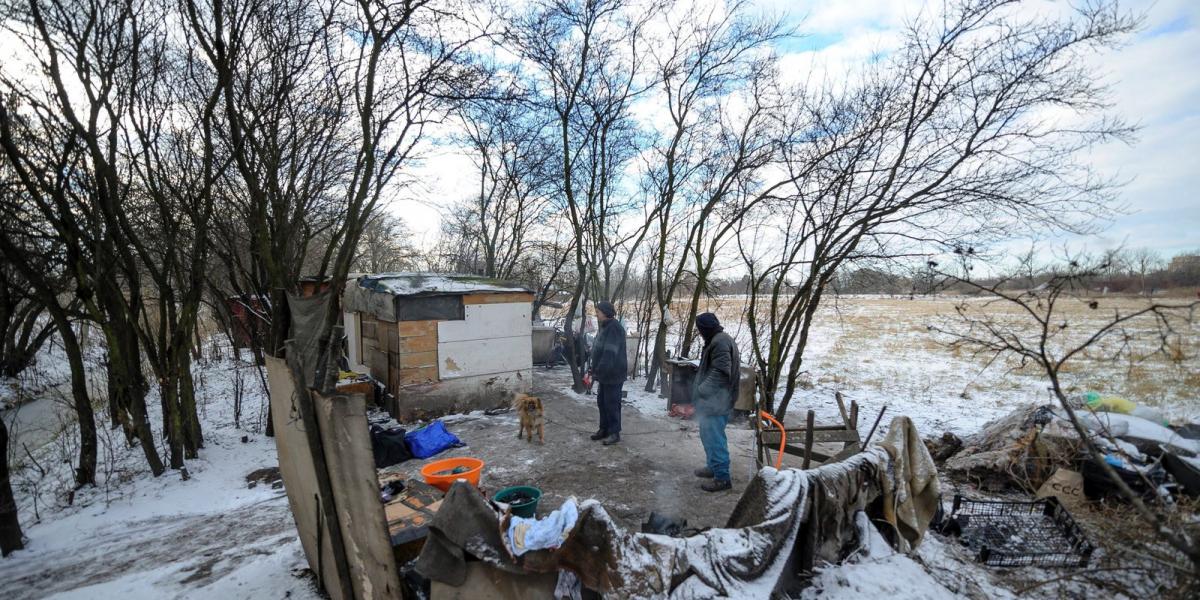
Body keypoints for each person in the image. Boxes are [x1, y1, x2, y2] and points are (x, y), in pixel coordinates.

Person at [691, 312, 740, 492]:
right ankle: (713, 467)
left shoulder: (719, 342)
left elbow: (721, 372)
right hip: (713, 401)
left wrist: (702, 389)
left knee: (714, 438)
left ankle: (722, 477)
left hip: (717, 401)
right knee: (707, 434)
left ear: (705, 329)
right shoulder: (719, 339)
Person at [588, 301, 627, 446]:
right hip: (604, 373)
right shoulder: (605, 327)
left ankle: (614, 432)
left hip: (614, 373)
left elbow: (609, 353)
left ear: (605, 312)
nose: (596, 314)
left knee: (611, 403)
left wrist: (599, 369)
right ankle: (603, 429)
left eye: (598, 311)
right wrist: (595, 369)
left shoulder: (614, 328)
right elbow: (599, 349)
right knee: (602, 402)